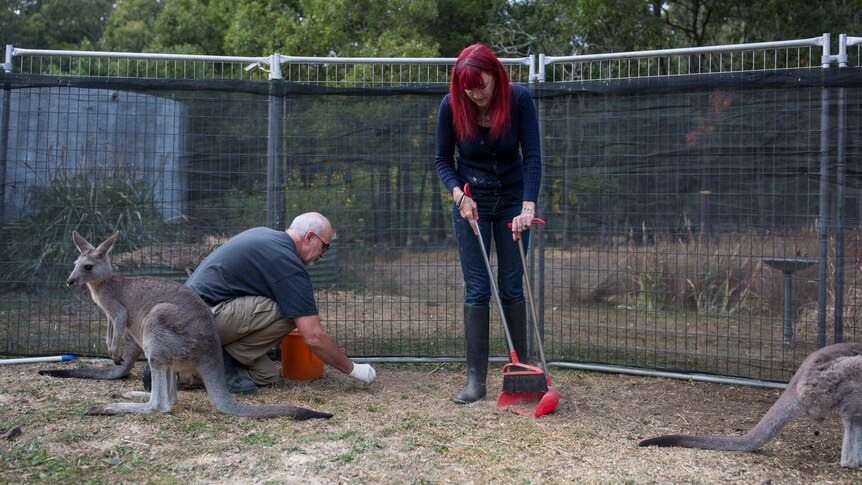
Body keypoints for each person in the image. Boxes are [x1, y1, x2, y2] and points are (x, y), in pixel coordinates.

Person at [144, 212, 377, 394]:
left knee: (267, 376)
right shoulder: (287, 262)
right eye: (325, 246)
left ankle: (188, 372)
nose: (324, 254)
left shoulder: (266, 236)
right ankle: (210, 361)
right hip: (193, 324)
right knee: (290, 312)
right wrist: (354, 369)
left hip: (189, 321)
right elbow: (313, 336)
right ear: (309, 238)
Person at [435, 43, 542, 404]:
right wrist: (459, 196)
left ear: (495, 75)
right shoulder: (452, 105)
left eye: (481, 84)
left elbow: (533, 157)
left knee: (512, 286)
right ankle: (475, 379)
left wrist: (528, 205)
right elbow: (442, 160)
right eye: (468, 87)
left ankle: (522, 373)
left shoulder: (519, 100)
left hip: (513, 201)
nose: (476, 93)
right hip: (471, 203)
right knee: (477, 289)